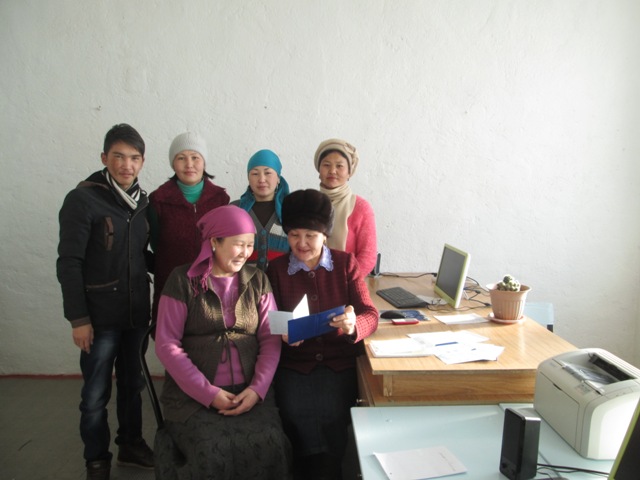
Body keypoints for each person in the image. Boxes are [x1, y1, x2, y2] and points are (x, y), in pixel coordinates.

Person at [154, 205, 292, 479]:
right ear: (214, 242)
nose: (246, 253)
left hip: (249, 392)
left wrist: (257, 390)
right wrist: (208, 394)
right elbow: (166, 345)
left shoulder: (258, 280)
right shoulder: (183, 281)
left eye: (250, 245)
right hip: (192, 397)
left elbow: (270, 339)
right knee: (211, 449)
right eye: (239, 244)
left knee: (271, 442)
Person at [56, 124, 154, 480]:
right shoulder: (83, 199)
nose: (127, 165)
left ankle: (131, 444)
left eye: (134, 158)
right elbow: (69, 262)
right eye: (119, 156)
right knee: (96, 394)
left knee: (132, 384)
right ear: (104, 158)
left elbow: (140, 256)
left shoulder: (143, 202)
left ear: (142, 162)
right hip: (98, 319)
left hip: (135, 314)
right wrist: (78, 319)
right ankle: (96, 459)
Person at [266, 189, 378, 480]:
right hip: (295, 363)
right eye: (294, 235)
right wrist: (282, 333)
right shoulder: (276, 270)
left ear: (325, 235)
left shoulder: (345, 264)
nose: (301, 243)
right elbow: (265, 320)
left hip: (338, 363)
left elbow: (370, 314)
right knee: (292, 412)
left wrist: (353, 325)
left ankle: (328, 470)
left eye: (310, 236)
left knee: (333, 413)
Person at [148, 132, 230, 323]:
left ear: (204, 162)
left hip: (212, 288)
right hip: (171, 286)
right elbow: (155, 243)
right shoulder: (158, 200)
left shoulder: (220, 199)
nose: (189, 164)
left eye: (195, 157)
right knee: (170, 335)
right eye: (181, 158)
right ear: (172, 163)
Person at [314, 138, 378, 277]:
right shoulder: (309, 204)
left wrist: (346, 281)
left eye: (339, 166)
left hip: (349, 282)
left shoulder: (361, 208)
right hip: (312, 281)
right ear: (319, 169)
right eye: (326, 165)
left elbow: (368, 255)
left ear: (349, 172)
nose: (332, 171)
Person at [232, 149, 290, 270]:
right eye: (255, 174)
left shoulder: (292, 209)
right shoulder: (234, 210)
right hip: (243, 281)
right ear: (248, 178)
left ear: (278, 178)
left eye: (268, 173)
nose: (261, 179)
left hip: (282, 280)